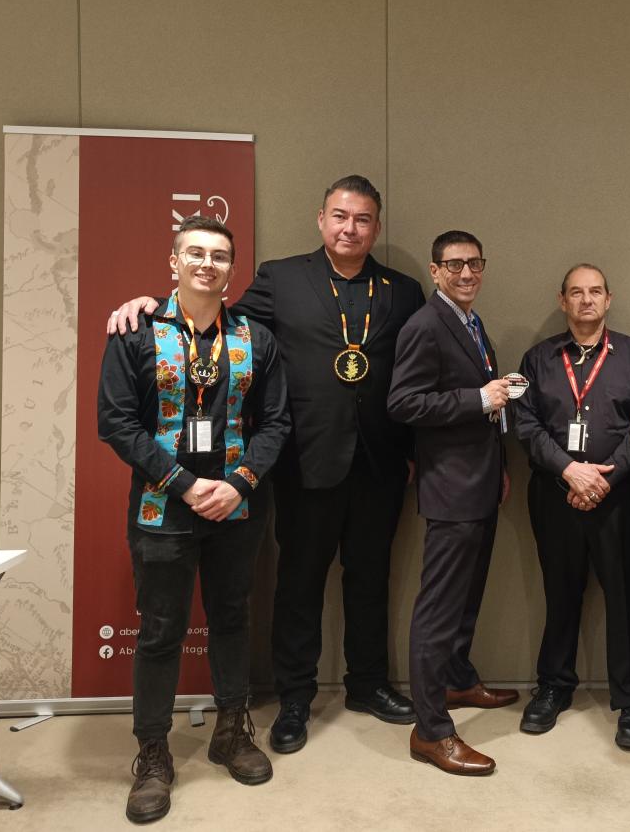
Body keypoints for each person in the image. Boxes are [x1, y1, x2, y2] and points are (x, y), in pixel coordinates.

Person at [108, 175, 426, 753]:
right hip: (304, 462)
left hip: (381, 464)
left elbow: (420, 372)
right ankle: (296, 696)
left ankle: (368, 684)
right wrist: (151, 301)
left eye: (361, 220)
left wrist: (417, 453)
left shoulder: (402, 291)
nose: (349, 228)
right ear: (320, 219)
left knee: (371, 579)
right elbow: (209, 313)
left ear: (375, 227)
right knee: (299, 583)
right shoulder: (283, 278)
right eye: (339, 216)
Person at [98, 216, 290, 823]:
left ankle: (231, 730)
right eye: (196, 253)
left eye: (220, 255)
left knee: (233, 619)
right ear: (173, 262)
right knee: (160, 631)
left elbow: (277, 422)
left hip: (236, 507)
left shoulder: (256, 339)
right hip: (162, 509)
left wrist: (238, 484)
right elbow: (117, 422)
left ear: (232, 270)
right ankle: (153, 752)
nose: (208, 263)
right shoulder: (135, 333)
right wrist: (183, 484)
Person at [387, 230, 519, 776]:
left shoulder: (469, 320)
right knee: (438, 609)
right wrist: (478, 397)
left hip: (481, 483)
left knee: (466, 599)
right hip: (450, 490)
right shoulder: (425, 324)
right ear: (436, 271)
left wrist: (500, 466)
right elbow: (403, 402)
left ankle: (459, 681)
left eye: (474, 264)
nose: (466, 274)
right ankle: (431, 730)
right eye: (455, 265)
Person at [513, 264, 630, 748]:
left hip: (618, 499)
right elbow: (526, 425)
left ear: (609, 299)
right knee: (560, 593)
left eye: (595, 291)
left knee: (625, 599)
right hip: (554, 495)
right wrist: (569, 471)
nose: (586, 300)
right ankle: (554, 687)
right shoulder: (537, 359)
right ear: (562, 300)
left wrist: (602, 476)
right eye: (576, 292)